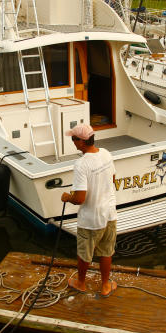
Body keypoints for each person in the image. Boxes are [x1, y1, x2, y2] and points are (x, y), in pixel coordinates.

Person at [60, 123, 118, 298]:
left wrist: (67, 197)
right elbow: (113, 178)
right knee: (106, 251)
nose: (73, 142)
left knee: (85, 253)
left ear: (81, 142)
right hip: (109, 214)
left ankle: (81, 283)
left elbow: (79, 199)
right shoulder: (106, 154)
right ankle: (106, 285)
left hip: (91, 219)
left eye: (74, 139)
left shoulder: (81, 164)